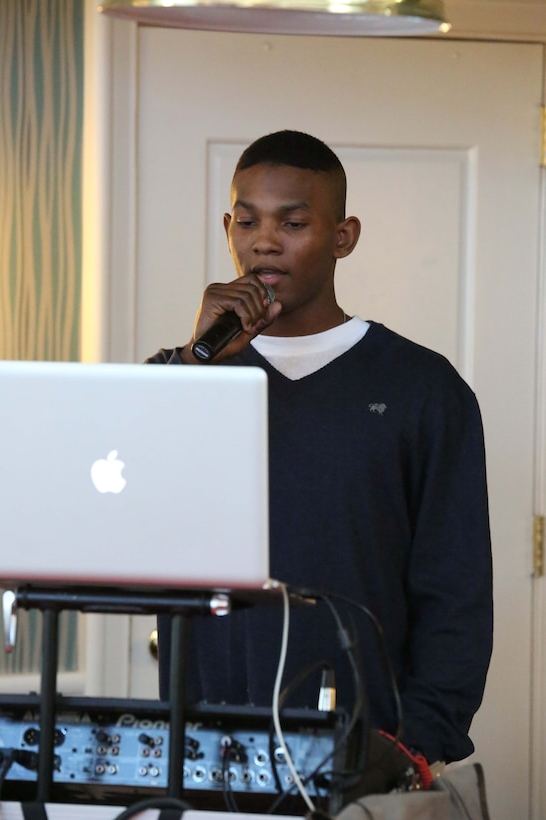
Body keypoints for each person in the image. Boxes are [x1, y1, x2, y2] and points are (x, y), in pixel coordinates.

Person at [146, 130, 493, 771]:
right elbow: (130, 523)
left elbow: (457, 592)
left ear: (344, 236)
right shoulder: (179, 380)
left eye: (294, 222)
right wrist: (198, 366)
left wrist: (415, 745)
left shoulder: (423, 389)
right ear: (228, 227)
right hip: (199, 748)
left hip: (370, 752)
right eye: (247, 221)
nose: (265, 241)